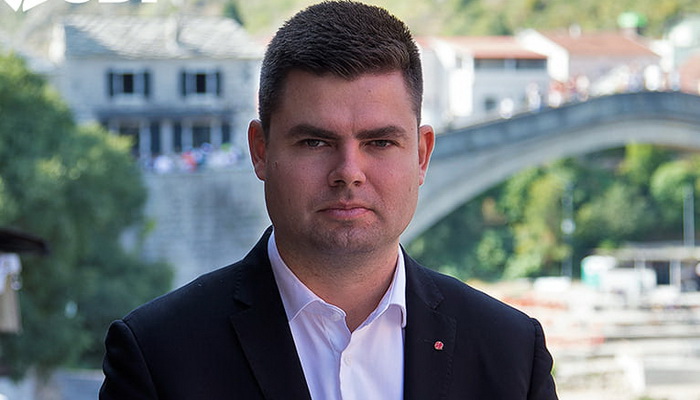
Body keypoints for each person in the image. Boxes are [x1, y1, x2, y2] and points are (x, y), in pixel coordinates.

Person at [99, 2, 558, 399]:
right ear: (260, 151)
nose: (348, 172)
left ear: (422, 155)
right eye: (315, 142)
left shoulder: (511, 351)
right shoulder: (158, 356)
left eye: (379, 142)